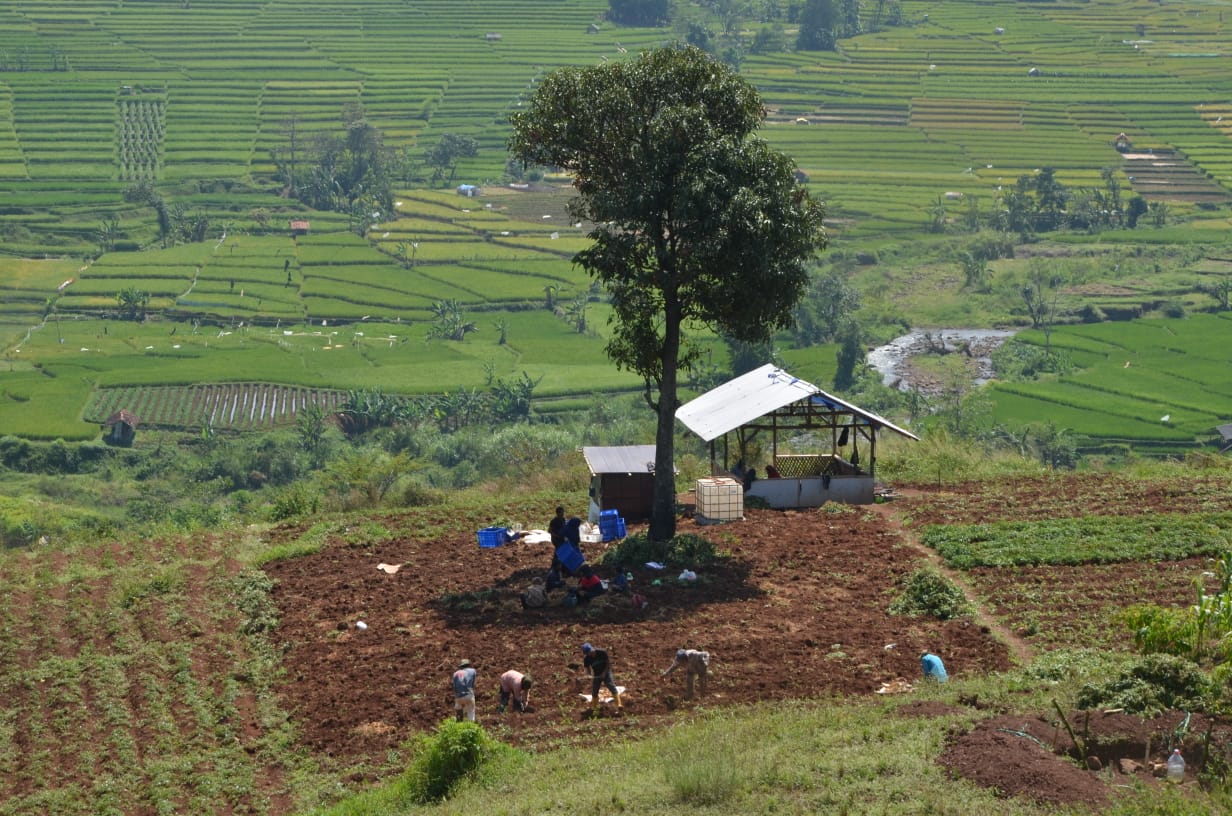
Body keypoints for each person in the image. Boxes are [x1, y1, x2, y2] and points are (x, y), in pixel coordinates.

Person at [581, 642, 621, 710]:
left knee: (611, 686)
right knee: (594, 691)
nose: (590, 654)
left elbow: (608, 663)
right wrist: (589, 675)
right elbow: (587, 668)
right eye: (588, 653)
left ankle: (619, 705)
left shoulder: (602, 652)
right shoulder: (587, 659)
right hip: (597, 674)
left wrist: (604, 673)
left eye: (590, 652)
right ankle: (594, 708)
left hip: (606, 672)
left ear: (592, 649)